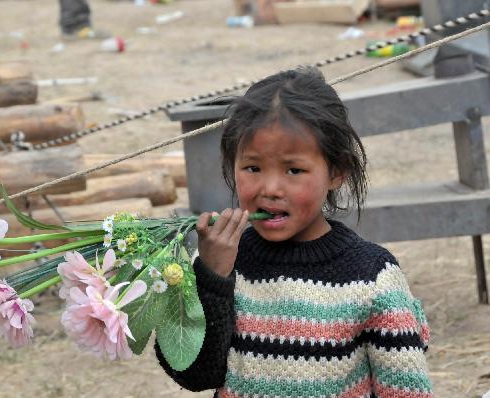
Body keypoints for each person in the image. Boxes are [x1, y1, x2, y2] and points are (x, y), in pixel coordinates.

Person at [155, 67, 433, 397]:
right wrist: (211, 277)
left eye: (294, 170)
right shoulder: (219, 259)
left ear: (336, 172)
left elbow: (406, 390)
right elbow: (194, 375)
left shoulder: (372, 277)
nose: (270, 188)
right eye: (253, 168)